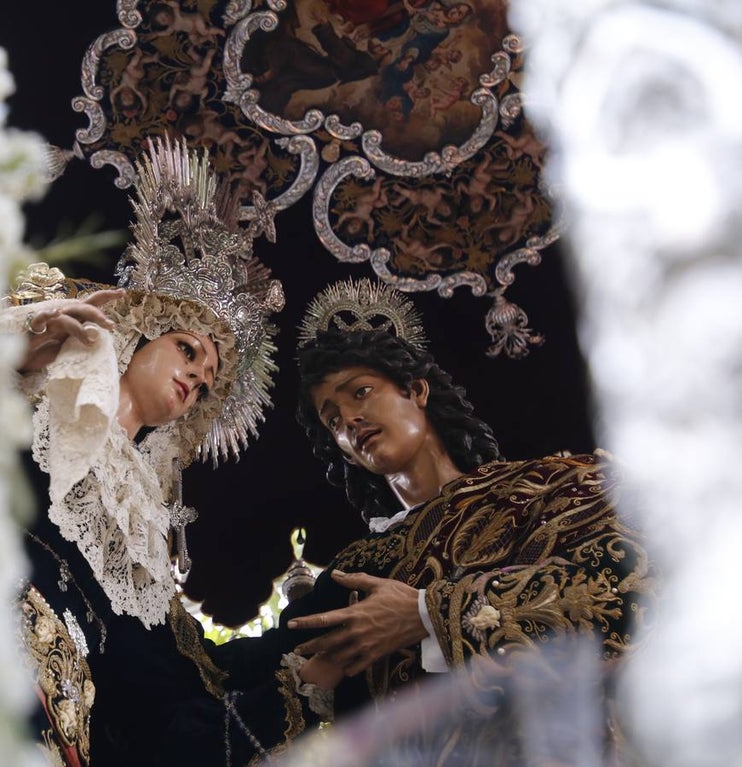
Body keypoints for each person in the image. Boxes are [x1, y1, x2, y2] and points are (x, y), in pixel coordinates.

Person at [1, 138, 298, 767]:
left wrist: (297, 664)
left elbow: (159, 671)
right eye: (188, 350)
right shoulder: (57, 364)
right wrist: (30, 343)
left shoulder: (147, 522)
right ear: (143, 335)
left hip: (58, 720)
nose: (197, 376)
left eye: (210, 379)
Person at [269, 277, 655, 762]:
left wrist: (428, 613)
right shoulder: (359, 566)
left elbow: (637, 581)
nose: (348, 421)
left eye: (361, 392)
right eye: (332, 420)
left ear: (417, 390)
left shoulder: (554, 483)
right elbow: (278, 681)